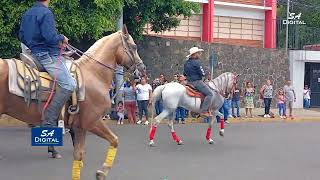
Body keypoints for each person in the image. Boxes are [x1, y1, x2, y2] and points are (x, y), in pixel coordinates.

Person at [19, 0, 76, 127]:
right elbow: (50, 37)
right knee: (69, 84)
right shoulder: (46, 13)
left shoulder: (27, 13)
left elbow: (21, 36)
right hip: (47, 56)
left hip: (32, 54)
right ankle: (49, 119)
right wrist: (62, 38)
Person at [183, 47, 213, 117]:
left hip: (188, 82)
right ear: (194, 54)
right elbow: (202, 73)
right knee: (209, 94)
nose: (199, 54)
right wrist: (206, 73)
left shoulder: (186, 63)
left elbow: (184, 73)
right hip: (196, 82)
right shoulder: (197, 63)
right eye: (198, 53)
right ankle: (203, 111)